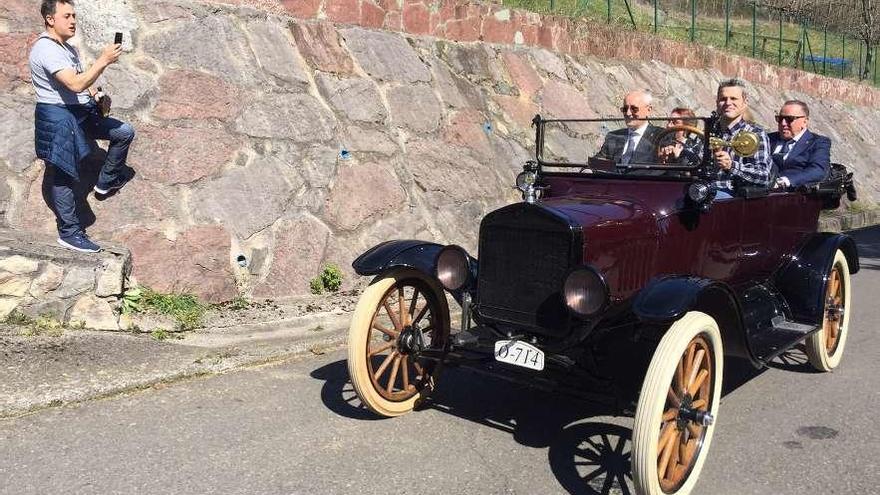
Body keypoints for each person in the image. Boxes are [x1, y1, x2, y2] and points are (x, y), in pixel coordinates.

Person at [29, 0, 135, 253]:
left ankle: (106, 181)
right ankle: (69, 233)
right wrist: (104, 60)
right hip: (58, 116)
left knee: (123, 131)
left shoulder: (67, 48)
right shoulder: (45, 49)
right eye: (67, 16)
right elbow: (74, 84)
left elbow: (81, 82)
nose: (73, 20)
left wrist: (96, 95)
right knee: (64, 172)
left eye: (74, 15)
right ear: (50, 19)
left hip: (79, 113)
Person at [711, 79, 772, 198]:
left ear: (745, 102)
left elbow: (764, 176)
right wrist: (678, 156)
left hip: (731, 193)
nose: (728, 103)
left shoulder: (755, 134)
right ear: (717, 102)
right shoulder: (710, 130)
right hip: (700, 188)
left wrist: (731, 166)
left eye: (733, 99)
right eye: (723, 99)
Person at [768, 100, 831, 188]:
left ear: (804, 121)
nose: (783, 123)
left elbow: (818, 170)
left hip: (794, 195)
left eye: (789, 119)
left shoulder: (818, 142)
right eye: (780, 119)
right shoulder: (767, 139)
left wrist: (785, 181)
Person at [594, 90, 663, 165]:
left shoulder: (660, 136)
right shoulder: (613, 136)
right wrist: (588, 170)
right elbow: (599, 162)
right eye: (625, 109)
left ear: (648, 110)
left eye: (634, 109)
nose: (628, 113)